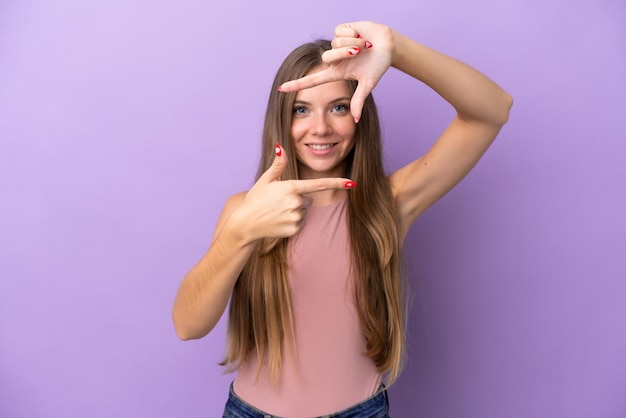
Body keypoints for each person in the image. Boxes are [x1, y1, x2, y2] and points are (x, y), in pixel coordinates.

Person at [172, 20, 512, 418]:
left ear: (359, 113)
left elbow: (492, 111)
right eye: (302, 110)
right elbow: (187, 325)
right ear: (281, 120)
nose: (320, 128)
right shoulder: (243, 211)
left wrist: (396, 50)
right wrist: (239, 235)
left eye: (337, 107)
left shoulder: (388, 204)